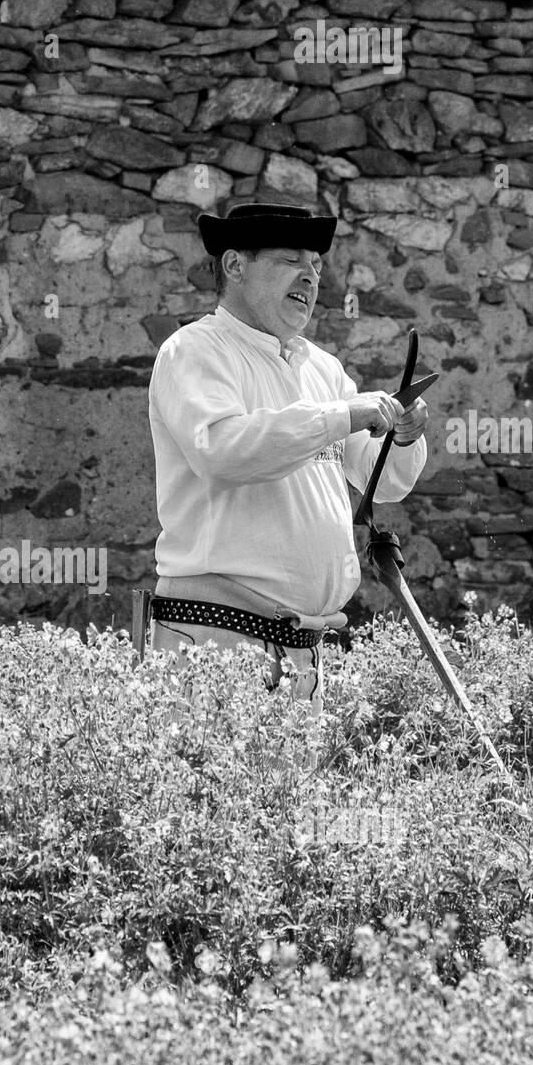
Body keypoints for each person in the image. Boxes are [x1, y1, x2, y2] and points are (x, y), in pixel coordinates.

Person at [147, 202, 428, 711]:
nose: (310, 276)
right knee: (213, 793)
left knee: (288, 795)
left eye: (316, 265)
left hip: (302, 650)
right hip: (216, 641)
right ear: (235, 265)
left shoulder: (322, 368)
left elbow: (381, 481)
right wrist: (343, 415)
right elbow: (224, 452)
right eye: (291, 260)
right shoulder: (193, 351)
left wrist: (401, 435)